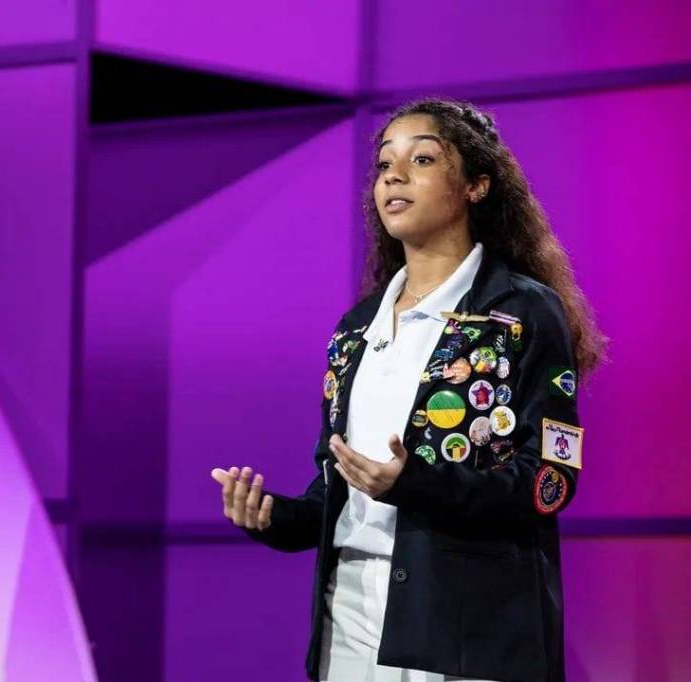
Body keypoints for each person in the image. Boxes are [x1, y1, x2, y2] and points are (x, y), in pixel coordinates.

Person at [210, 98, 606, 682]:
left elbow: (549, 481)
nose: (393, 176)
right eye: (384, 164)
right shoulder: (356, 329)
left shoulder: (522, 312)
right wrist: (273, 518)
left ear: (476, 186)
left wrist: (414, 484)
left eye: (422, 159)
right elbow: (336, 493)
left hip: (469, 626)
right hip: (350, 620)